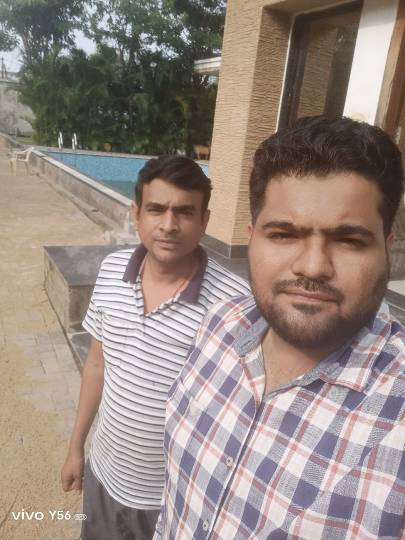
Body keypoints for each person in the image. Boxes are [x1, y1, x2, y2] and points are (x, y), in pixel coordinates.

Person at [154, 116, 405, 539]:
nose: (313, 266)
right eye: (284, 234)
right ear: (251, 237)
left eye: (349, 240)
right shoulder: (218, 325)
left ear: (387, 247)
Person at [60, 155, 250, 540]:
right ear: (136, 214)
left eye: (185, 212)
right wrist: (75, 447)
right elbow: (96, 365)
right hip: (104, 474)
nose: (168, 225)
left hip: (173, 498)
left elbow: (237, 412)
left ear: (205, 220)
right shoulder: (111, 271)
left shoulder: (234, 303)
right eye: (156, 209)